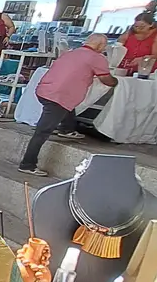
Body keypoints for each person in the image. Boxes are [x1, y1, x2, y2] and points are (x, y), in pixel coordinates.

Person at [18, 34, 117, 176]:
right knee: (42, 131)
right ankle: (27, 164)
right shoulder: (97, 58)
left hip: (45, 90)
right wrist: (116, 82)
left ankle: (67, 128)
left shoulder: (70, 53)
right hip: (59, 96)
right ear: (101, 46)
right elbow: (106, 79)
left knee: (65, 106)